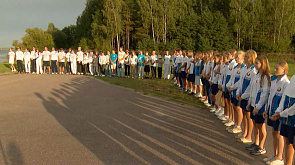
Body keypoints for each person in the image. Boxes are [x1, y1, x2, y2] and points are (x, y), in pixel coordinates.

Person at [261, 61, 289, 165]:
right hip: (271, 111)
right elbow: (270, 97)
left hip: (278, 113)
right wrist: (266, 110)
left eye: (277, 69)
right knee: (273, 132)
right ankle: (274, 154)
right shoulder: (274, 81)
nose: (275, 70)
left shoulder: (286, 83)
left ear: (284, 70)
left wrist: (278, 113)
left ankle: (280, 157)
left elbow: (284, 101)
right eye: (275, 68)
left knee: (279, 134)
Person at [271, 61, 295, 165]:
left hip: (292, 117)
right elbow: (285, 96)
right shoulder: (294, 78)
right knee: (288, 142)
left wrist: (282, 114)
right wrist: (278, 111)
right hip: (286, 117)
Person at [246, 55, 271, 155]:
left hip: (259, 106)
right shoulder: (256, 75)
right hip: (253, 104)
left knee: (261, 127)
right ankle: (256, 143)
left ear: (263, 64)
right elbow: (252, 90)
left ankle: (262, 146)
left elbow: (264, 94)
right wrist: (249, 103)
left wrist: (258, 107)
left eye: (257, 63)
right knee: (256, 125)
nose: (255, 65)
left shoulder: (266, 77)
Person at [236, 50, 257, 143]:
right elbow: (241, 82)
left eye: (247, 57)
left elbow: (250, 86)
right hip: (242, 95)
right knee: (244, 114)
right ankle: (245, 132)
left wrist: (243, 96)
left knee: (248, 116)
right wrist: (238, 93)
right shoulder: (245, 69)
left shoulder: (254, 70)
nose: (245, 59)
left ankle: (249, 136)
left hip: (248, 97)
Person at [226, 51, 247, 134]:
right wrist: (228, 85)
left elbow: (240, 82)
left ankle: (238, 125)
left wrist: (232, 87)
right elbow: (232, 78)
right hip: (232, 90)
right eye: (236, 57)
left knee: (238, 108)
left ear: (243, 58)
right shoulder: (235, 67)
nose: (236, 59)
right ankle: (235, 122)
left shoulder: (243, 68)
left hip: (237, 90)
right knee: (234, 106)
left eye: (238, 57)